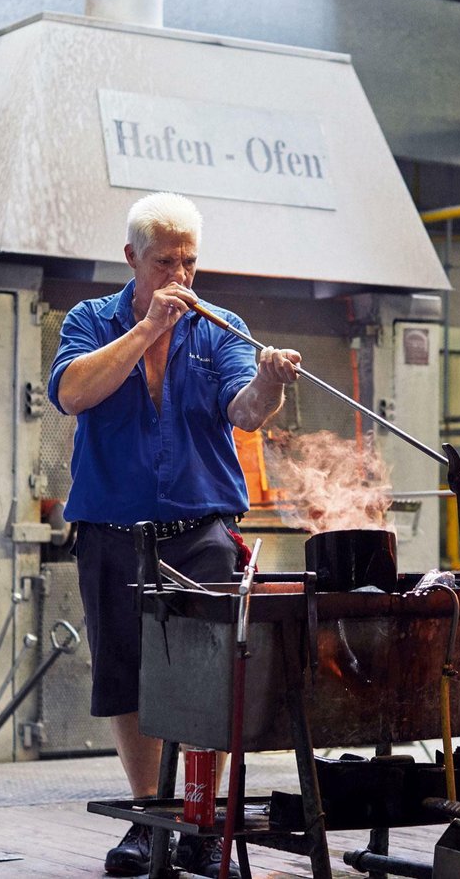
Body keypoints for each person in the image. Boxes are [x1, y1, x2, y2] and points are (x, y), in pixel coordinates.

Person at [49, 192, 301, 877]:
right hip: (112, 533)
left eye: (190, 262)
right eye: (165, 263)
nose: (181, 278)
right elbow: (74, 393)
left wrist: (271, 384)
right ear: (132, 258)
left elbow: (244, 412)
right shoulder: (90, 321)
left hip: (201, 533)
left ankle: (201, 822)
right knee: (126, 679)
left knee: (211, 683)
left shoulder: (220, 326)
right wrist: (147, 333)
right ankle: (144, 821)